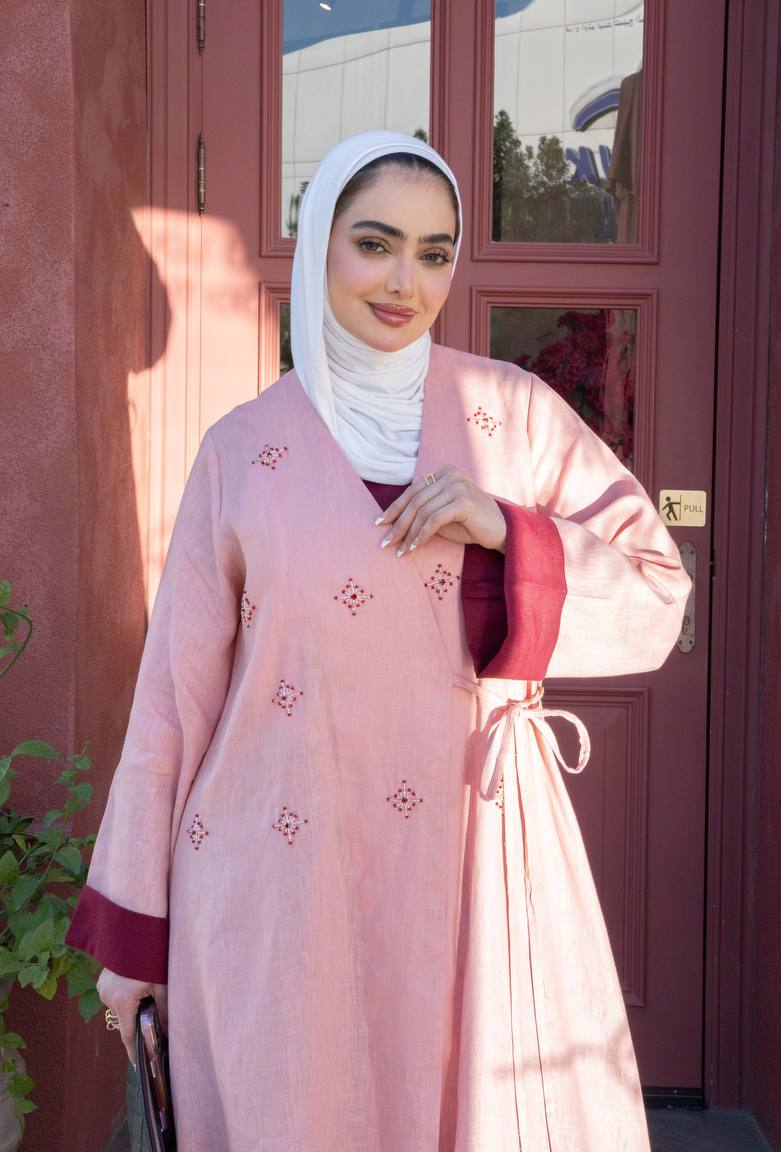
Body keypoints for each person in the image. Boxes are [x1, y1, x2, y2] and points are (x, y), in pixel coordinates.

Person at [65, 129, 692, 1150]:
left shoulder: (513, 418)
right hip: (278, 882)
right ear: (319, 246)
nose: (406, 280)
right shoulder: (240, 453)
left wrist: (505, 529)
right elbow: (171, 707)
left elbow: (661, 593)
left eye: (435, 251)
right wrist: (133, 937)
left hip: (475, 867)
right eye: (375, 242)